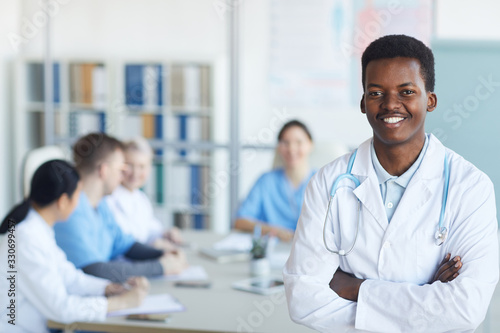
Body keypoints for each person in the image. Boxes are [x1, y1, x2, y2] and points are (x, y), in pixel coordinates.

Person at [283, 34, 499, 332]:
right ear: (363, 102)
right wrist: (425, 291)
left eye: (406, 91)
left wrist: (356, 289)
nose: (390, 104)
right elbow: (303, 298)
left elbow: (465, 309)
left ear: (430, 100)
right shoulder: (328, 182)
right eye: (376, 93)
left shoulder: (471, 188)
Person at [0, 160, 149, 333]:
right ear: (63, 201)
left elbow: (68, 276)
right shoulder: (26, 238)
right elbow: (61, 309)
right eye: (79, 195)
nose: (80, 203)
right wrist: (120, 303)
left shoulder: (38, 229)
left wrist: (108, 288)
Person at [54, 133, 188, 283]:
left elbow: (124, 244)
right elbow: (94, 270)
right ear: (104, 170)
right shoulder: (71, 210)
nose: (122, 176)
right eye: (120, 169)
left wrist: (162, 254)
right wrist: (160, 267)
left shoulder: (100, 204)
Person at [234, 120, 316, 242]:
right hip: (273, 250)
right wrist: (274, 231)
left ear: (310, 145)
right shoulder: (266, 181)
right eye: (285, 142)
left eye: (299, 142)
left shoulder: (322, 181)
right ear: (279, 147)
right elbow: (240, 221)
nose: (291, 149)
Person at [106, 137, 182, 251]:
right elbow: (120, 242)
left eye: (142, 166)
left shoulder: (140, 198)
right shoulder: (109, 198)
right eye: (130, 165)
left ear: (149, 169)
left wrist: (166, 234)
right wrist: (150, 246)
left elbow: (150, 229)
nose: (135, 173)